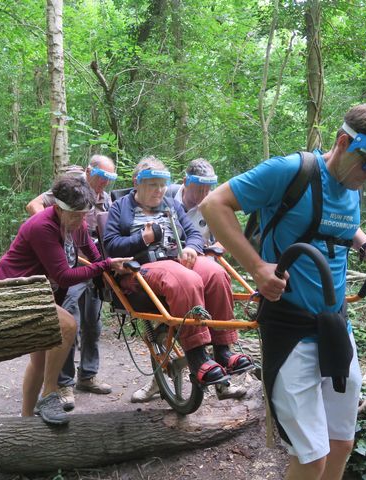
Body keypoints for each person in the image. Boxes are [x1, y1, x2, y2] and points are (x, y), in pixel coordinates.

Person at [200, 103, 366, 480]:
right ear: (343, 142)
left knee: (341, 443)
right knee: (311, 456)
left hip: (335, 326)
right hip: (289, 329)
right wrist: (258, 267)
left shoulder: (351, 184)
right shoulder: (289, 171)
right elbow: (214, 204)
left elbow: (338, 225)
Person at [103, 156, 254, 394]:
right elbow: (110, 245)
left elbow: (193, 232)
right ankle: (197, 358)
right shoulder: (119, 208)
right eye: (153, 185)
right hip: (141, 269)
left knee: (215, 273)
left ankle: (224, 350)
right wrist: (142, 239)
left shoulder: (170, 206)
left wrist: (192, 248)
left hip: (176, 261)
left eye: (162, 185)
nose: (159, 190)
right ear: (137, 183)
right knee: (185, 278)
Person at [0, 175, 130, 425]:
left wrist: (110, 267)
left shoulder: (77, 224)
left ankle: (25, 421)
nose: (81, 221)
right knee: (66, 325)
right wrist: (104, 266)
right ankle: (49, 395)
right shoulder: (42, 226)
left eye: (84, 215)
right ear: (57, 208)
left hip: (38, 293)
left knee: (41, 358)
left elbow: (93, 254)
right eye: (76, 215)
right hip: (13, 291)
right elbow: (64, 276)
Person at [26, 155, 117, 411]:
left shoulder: (105, 198)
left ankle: (87, 375)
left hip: (91, 267)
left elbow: (91, 234)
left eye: (110, 179)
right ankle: (61, 384)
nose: (105, 183)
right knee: (69, 322)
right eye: (102, 177)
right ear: (89, 172)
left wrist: (102, 265)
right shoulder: (72, 188)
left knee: (93, 323)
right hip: (68, 267)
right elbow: (34, 206)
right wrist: (56, 234)